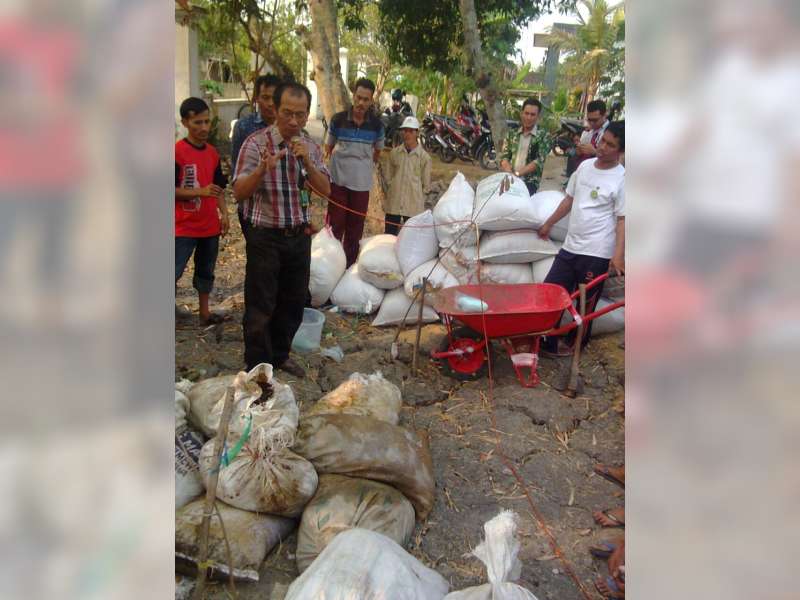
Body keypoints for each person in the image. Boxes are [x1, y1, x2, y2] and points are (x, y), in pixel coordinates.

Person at [232, 82, 330, 377]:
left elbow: (325, 190)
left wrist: (308, 164)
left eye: (301, 115)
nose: (294, 121)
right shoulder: (255, 144)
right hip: (265, 236)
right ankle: (258, 367)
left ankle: (280, 355)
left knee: (292, 302)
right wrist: (262, 170)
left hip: (298, 236)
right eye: (287, 113)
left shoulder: (310, 146)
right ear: (275, 110)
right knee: (261, 305)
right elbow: (238, 192)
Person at [538, 121, 625, 356]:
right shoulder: (585, 167)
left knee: (585, 305)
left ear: (621, 151)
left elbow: (622, 220)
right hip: (570, 247)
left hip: (596, 253)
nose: (603, 146)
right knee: (551, 290)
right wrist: (549, 223)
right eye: (603, 140)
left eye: (610, 145)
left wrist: (618, 257)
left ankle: (575, 344)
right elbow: (568, 200)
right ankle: (548, 340)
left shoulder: (622, 178)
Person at [175, 97, 230, 325]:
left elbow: (218, 189)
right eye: (197, 122)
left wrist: (224, 214)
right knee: (172, 271)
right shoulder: (176, 152)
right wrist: (199, 191)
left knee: (206, 271)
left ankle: (204, 314)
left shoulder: (213, 153)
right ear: (185, 123)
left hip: (209, 226)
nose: (204, 127)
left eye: (207, 122)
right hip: (183, 226)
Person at [324, 78, 384, 266]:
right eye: (358, 98)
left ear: (371, 101)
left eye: (366, 100)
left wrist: (361, 166)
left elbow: (378, 152)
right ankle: (330, 266)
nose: (361, 103)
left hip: (361, 186)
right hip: (338, 184)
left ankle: (348, 266)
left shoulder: (377, 125)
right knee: (335, 226)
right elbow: (328, 147)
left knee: (355, 229)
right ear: (353, 96)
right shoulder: (338, 120)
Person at [231, 74, 282, 231]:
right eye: (265, 97)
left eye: (274, 98)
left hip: (282, 207)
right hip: (253, 209)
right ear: (256, 99)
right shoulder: (243, 127)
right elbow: (236, 170)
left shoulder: (290, 128)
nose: (269, 103)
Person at [382, 116, 432, 235]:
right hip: (394, 204)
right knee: (389, 236)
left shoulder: (424, 158)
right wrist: (393, 189)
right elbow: (388, 177)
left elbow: (426, 185)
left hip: (413, 207)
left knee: (411, 238)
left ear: (417, 133)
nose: (407, 134)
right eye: (405, 131)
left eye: (411, 131)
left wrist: (417, 197)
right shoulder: (394, 153)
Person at [500, 98, 553, 195]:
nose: (529, 117)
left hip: (529, 182)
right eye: (526, 113)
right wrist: (509, 173)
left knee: (521, 206)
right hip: (509, 177)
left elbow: (538, 162)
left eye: (532, 115)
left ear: (538, 117)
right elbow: (504, 157)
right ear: (522, 113)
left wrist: (517, 174)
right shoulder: (512, 133)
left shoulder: (544, 136)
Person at [574, 99, 610, 170]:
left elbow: (615, 159)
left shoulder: (611, 132)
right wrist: (578, 150)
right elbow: (578, 153)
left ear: (605, 115)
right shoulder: (588, 131)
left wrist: (595, 152)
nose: (592, 123)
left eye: (595, 120)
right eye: (589, 120)